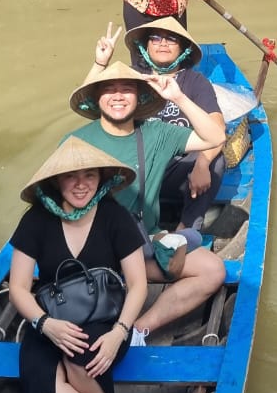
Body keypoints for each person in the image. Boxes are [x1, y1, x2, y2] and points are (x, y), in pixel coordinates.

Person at [8, 136, 149, 393]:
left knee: (79, 358)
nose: (82, 184)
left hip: (106, 319)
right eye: (72, 177)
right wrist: (44, 323)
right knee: (38, 378)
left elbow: (138, 286)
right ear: (56, 182)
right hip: (51, 317)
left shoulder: (114, 215)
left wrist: (120, 332)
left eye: (89, 175)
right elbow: (19, 289)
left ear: (101, 178)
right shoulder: (36, 219)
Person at [66, 59, 227, 342]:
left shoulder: (157, 133)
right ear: (96, 98)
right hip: (92, 252)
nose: (118, 96)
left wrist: (177, 97)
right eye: (109, 90)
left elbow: (215, 136)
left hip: (141, 245)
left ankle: (138, 330)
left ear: (139, 97)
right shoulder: (76, 142)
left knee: (213, 270)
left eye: (126, 89)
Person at [94, 19, 226, 234]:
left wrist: (202, 164)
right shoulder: (131, 77)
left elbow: (217, 127)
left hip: (176, 170)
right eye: (155, 37)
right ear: (145, 46)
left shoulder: (195, 81)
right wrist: (100, 64)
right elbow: (90, 104)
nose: (162, 43)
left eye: (171, 39)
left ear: (182, 49)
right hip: (134, 166)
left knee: (214, 160)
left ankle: (185, 232)